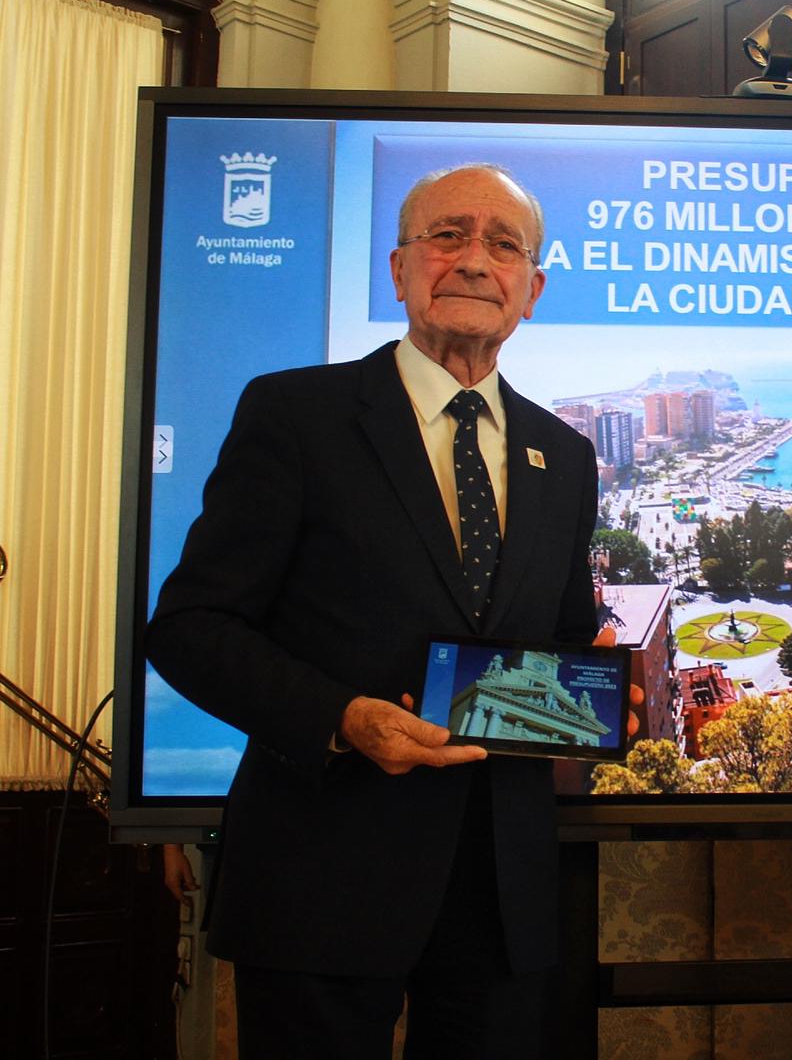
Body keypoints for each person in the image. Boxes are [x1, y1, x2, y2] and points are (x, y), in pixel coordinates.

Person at [146, 164, 603, 1059]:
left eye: (503, 244)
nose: (476, 260)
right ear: (399, 270)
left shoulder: (567, 453)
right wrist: (341, 720)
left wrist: (590, 703)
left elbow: (562, 636)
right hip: (322, 879)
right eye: (448, 235)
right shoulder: (295, 414)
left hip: (500, 893)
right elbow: (191, 627)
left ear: (532, 291)